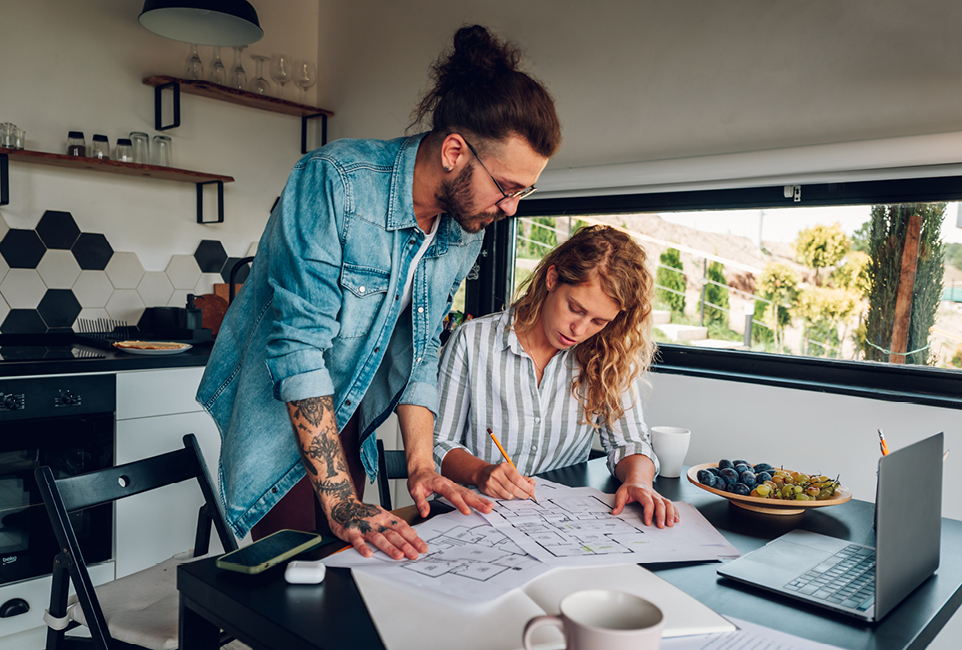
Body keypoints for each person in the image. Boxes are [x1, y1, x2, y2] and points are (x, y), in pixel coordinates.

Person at [197, 24, 561, 560]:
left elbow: (422, 349)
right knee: (299, 586)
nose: (510, 208)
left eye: (524, 191)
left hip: (347, 415)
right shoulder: (335, 182)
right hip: (281, 415)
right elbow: (298, 348)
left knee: (348, 573)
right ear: (455, 151)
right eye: (507, 188)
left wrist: (421, 464)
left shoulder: (461, 229)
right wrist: (340, 499)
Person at [433, 225, 679, 528]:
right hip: (475, 515)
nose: (580, 329)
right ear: (552, 279)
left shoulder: (608, 355)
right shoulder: (473, 340)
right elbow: (439, 444)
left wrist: (639, 481)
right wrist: (480, 472)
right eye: (575, 308)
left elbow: (629, 443)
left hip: (557, 522)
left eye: (598, 321)